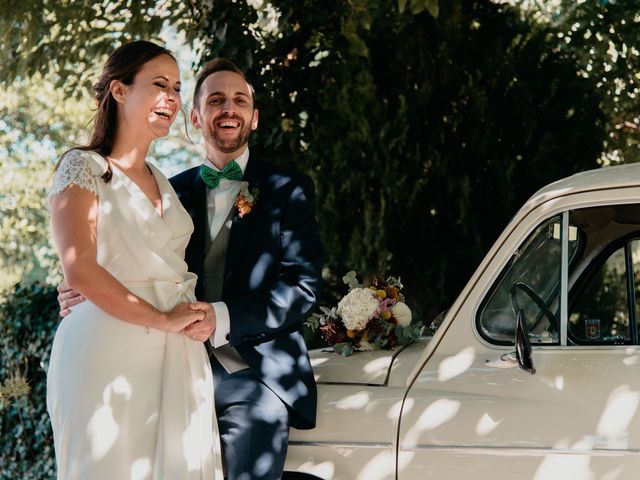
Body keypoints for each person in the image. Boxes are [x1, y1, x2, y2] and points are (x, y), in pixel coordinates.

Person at [59, 57, 324, 479]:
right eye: (215, 100)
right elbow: (121, 254)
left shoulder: (287, 190)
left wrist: (220, 317)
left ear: (255, 118)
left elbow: (303, 288)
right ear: (196, 117)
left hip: (252, 375)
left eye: (240, 100)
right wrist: (82, 286)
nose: (229, 108)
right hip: (164, 363)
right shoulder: (167, 188)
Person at [47, 40, 223, 480]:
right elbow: (80, 268)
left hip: (176, 355)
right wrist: (160, 318)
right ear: (119, 90)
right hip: (106, 352)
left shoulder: (166, 183)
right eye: (159, 84)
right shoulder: (83, 167)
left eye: (178, 88)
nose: (172, 98)